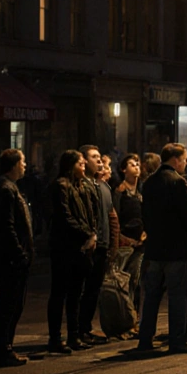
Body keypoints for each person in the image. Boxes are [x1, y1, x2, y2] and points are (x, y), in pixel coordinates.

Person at [136, 143, 187, 354]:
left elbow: (144, 214)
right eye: (185, 159)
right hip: (175, 250)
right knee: (177, 297)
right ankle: (177, 341)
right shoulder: (179, 183)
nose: (186, 163)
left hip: (154, 249)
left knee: (151, 297)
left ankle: (145, 340)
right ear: (176, 160)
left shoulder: (150, 183)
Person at [0, 148, 32, 368]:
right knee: (9, 304)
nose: (25, 165)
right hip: (11, 258)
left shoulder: (9, 187)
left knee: (13, 304)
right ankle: (2, 350)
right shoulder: (6, 189)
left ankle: (5, 348)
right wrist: (19, 253)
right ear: (13, 165)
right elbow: (6, 226)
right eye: (22, 161)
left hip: (12, 256)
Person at [47, 150, 97, 354]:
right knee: (60, 293)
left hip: (79, 248)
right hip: (65, 247)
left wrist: (91, 234)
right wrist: (87, 233)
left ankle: (73, 335)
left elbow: (88, 212)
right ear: (71, 165)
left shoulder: (80, 186)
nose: (84, 167)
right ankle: (56, 338)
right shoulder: (61, 186)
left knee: (76, 293)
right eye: (81, 164)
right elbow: (65, 217)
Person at [77, 146, 118, 346]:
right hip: (89, 245)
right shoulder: (82, 186)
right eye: (94, 158)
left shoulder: (101, 187)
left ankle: (85, 328)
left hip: (101, 245)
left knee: (93, 289)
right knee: (82, 290)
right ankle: (77, 330)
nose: (100, 162)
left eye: (99, 158)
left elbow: (109, 216)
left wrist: (110, 244)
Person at [111, 153, 145, 325]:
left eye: (137, 164)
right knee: (124, 280)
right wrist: (121, 238)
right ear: (124, 169)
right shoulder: (120, 192)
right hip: (125, 241)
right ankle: (125, 318)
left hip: (141, 241)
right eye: (132, 164)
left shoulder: (141, 191)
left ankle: (134, 317)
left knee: (136, 281)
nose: (136, 167)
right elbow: (115, 216)